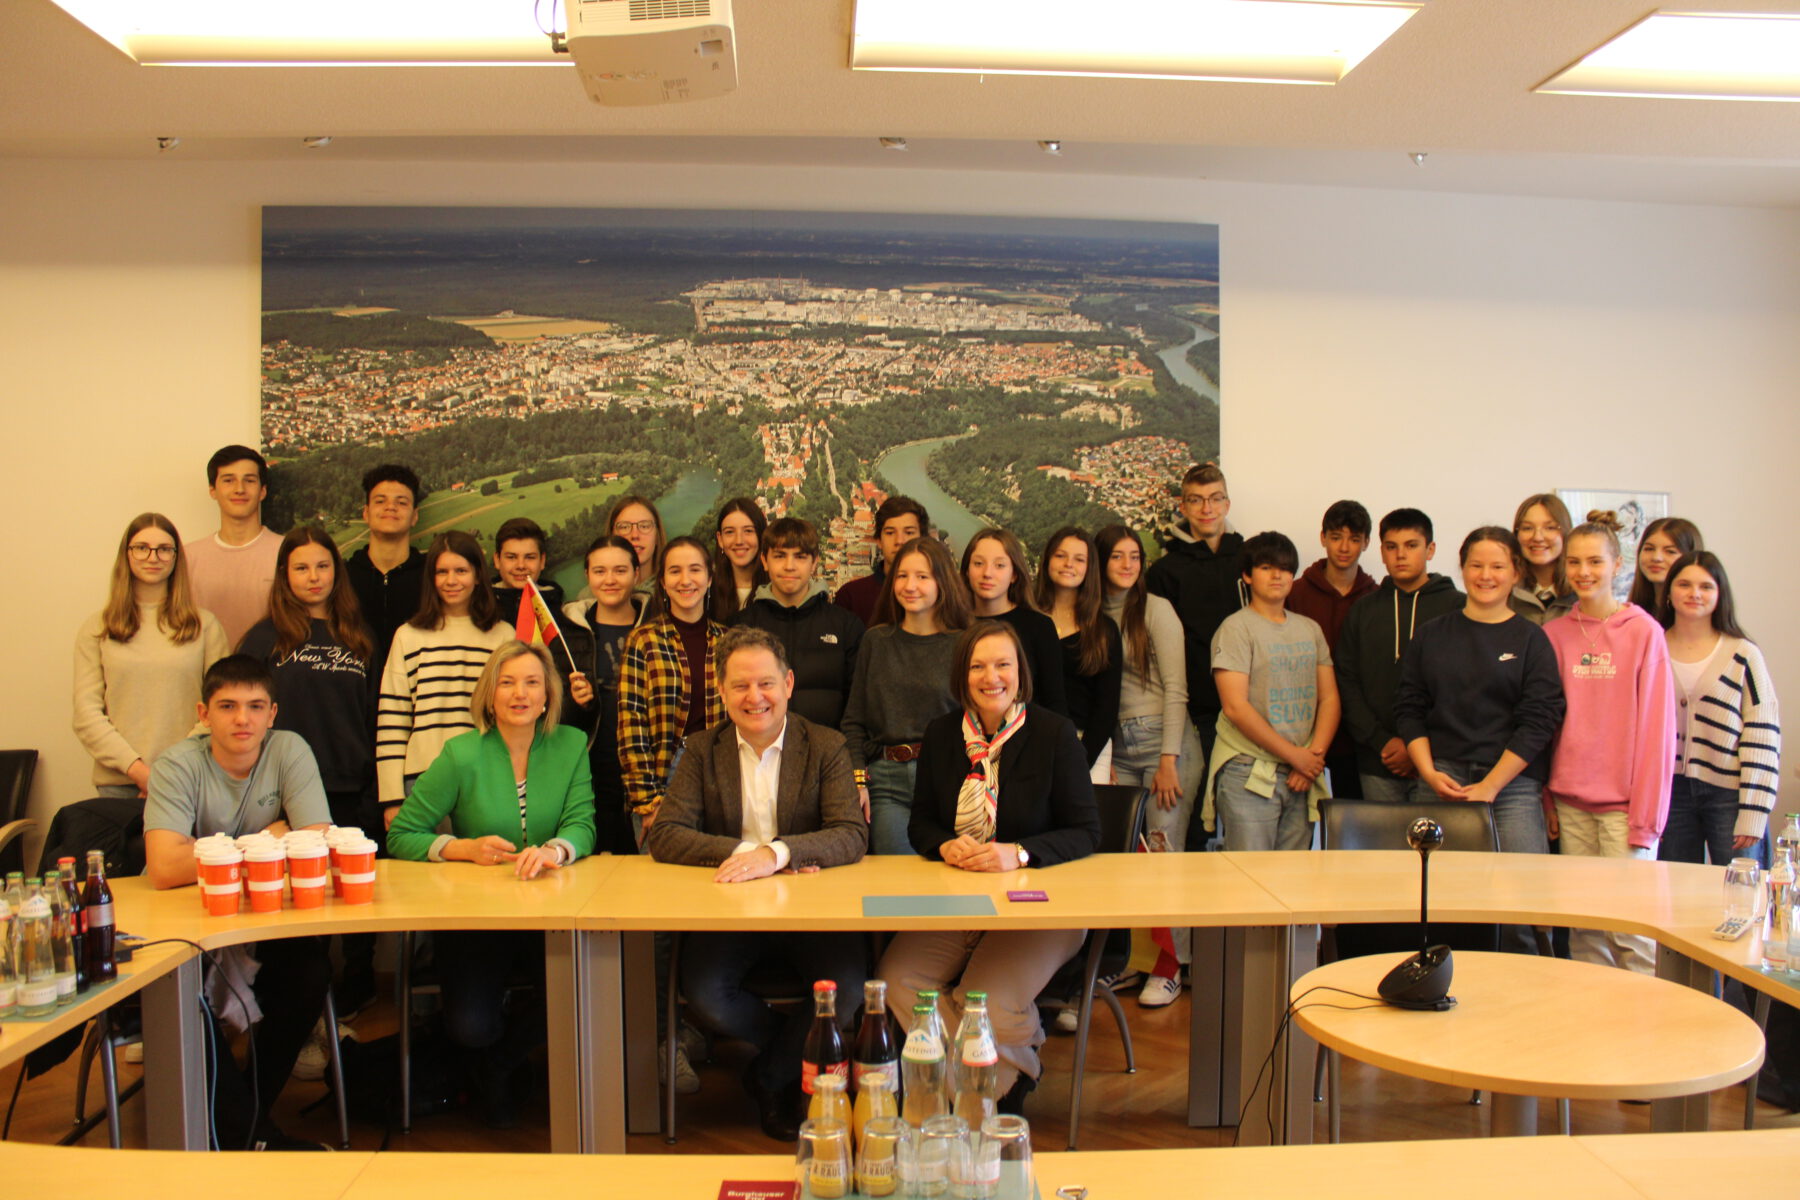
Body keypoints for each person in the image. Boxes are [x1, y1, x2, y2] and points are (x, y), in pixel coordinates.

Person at [646, 627, 870, 1141]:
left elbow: (850, 834)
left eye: (766, 683)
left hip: (814, 911)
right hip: (731, 910)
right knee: (705, 994)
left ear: (789, 684)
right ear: (721, 692)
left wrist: (780, 852)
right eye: (740, 686)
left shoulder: (827, 745)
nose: (755, 698)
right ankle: (796, 1060)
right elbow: (668, 835)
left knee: (850, 988)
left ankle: (770, 1077)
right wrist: (750, 854)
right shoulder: (702, 750)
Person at [878, 620, 1101, 1113]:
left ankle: (973, 1099)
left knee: (983, 999)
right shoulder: (940, 734)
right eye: (978, 666)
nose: (990, 676)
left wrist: (1016, 852)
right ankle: (1008, 1069)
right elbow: (921, 825)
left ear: (1021, 672)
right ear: (962, 676)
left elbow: (1087, 832)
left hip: (1041, 907)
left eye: (1003, 664)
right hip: (962, 897)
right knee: (898, 979)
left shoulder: (1054, 733)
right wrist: (945, 847)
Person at [386, 641, 596, 1128]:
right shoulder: (461, 753)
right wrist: (461, 847)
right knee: (471, 1026)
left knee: (582, 995)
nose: (519, 694)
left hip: (552, 915)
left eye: (531, 683)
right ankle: (488, 1056)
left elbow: (583, 824)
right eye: (507, 682)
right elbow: (401, 835)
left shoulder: (569, 745)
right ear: (489, 694)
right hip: (476, 918)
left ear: (548, 695)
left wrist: (556, 850)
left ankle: (500, 1066)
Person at [143, 655, 332, 1150]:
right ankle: (250, 1133)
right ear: (204, 714)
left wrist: (209, 851)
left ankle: (243, 1119)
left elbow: (315, 841)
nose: (242, 719)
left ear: (273, 713)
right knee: (186, 999)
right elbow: (164, 868)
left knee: (311, 971)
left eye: (254, 706)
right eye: (227, 706)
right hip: (181, 921)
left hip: (259, 916)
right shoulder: (176, 764)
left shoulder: (289, 748)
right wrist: (261, 840)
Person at [1395, 527, 1566, 950]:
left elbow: (1541, 719)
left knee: (1518, 907)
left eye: (1497, 566)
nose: (1485, 575)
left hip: (1512, 788)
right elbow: (1409, 707)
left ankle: (1519, 1003)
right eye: (1476, 565)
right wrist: (1428, 772)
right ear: (1462, 568)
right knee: (1439, 901)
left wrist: (1491, 785)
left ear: (1515, 573)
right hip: (1441, 781)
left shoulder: (1531, 639)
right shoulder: (1433, 634)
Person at [1542, 512, 1676, 974]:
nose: (1584, 572)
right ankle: (1594, 1029)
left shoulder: (1644, 633)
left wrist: (1647, 818)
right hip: (1571, 802)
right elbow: (1548, 724)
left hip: (1626, 808)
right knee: (1585, 929)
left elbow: (1659, 731)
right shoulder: (1554, 634)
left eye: (1595, 562)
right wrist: (1547, 798)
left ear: (1618, 565)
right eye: (1575, 562)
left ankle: (1646, 1033)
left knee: (1632, 929)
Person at [1096, 523, 1204, 1009]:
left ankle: (1169, 968)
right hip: (1118, 748)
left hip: (1167, 743)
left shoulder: (1156, 610)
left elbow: (1178, 688)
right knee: (1123, 865)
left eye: (1134, 557)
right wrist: (1110, 760)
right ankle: (1133, 961)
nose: (1127, 565)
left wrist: (1168, 760)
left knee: (1164, 857)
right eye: (1116, 556)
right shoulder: (1091, 614)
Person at [1199, 532, 1339, 852]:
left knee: (1292, 883)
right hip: (1249, 770)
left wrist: (1311, 759)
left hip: (1302, 771)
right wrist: (1296, 758)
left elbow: (1329, 698)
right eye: (1265, 567)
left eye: (1285, 568)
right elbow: (1236, 707)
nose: (1277, 575)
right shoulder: (1236, 629)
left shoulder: (1309, 629)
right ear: (1247, 576)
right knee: (1250, 882)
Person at [73, 513, 229, 799]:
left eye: (164, 549)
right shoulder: (98, 628)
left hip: (188, 778)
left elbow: (219, 707)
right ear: (127, 554)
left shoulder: (205, 626)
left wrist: (169, 771)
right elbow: (86, 715)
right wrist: (140, 772)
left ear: (175, 557)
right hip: (119, 783)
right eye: (142, 547)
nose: (153, 557)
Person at [239, 527, 377, 832]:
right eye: (301, 568)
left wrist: (372, 797)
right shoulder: (263, 639)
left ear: (336, 572)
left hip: (349, 791)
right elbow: (243, 718)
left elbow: (375, 718)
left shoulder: (361, 637)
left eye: (322, 567)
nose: (314, 577)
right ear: (284, 574)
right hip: (279, 793)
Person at [841, 536, 971, 854]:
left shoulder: (966, 644)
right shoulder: (876, 641)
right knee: (896, 885)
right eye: (902, 576)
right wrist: (858, 780)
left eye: (922, 576)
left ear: (943, 581)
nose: (910, 585)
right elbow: (854, 720)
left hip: (951, 780)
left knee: (955, 884)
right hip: (887, 783)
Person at [375, 530, 513, 825]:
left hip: (487, 777)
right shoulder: (408, 636)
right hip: (423, 780)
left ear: (478, 575)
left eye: (461, 570)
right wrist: (391, 798)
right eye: (442, 572)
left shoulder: (503, 636)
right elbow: (392, 719)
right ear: (431, 579)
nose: (451, 581)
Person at [1658, 551, 1782, 866]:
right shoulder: (1652, 646)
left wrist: (1754, 810)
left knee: (1741, 891)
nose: (1694, 594)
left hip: (1730, 794)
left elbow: (1763, 734)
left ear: (1719, 594)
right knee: (1675, 894)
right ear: (1669, 592)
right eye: (1684, 584)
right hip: (1669, 793)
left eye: (1705, 586)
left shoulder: (1743, 654)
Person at [1333, 508, 1464, 803]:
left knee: (1435, 846)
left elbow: (1463, 688)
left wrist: (1417, 746)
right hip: (1378, 759)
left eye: (1411, 545)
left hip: (1439, 761)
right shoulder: (1363, 610)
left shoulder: (1458, 609)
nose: (1400, 555)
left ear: (1430, 550)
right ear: (1381, 552)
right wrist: (1382, 741)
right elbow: (1347, 682)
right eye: (1391, 547)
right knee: (1385, 848)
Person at [1146, 463, 1245, 848]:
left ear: (1226, 503)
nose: (1207, 508)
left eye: (1215, 499)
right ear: (1183, 506)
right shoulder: (1165, 572)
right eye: (1197, 500)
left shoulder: (1249, 560)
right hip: (1196, 711)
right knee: (1195, 822)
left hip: (1248, 710)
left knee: (1243, 818)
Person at [617, 536, 725, 840]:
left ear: (709, 577)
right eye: (675, 571)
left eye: (695, 570)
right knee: (661, 882)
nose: (686, 580)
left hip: (721, 780)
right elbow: (631, 723)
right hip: (663, 779)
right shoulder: (643, 641)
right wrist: (646, 801)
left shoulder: (729, 641)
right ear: (663, 582)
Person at [731, 517, 865, 730]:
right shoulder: (743, 626)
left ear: (814, 563)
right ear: (765, 561)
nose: (789, 566)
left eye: (800, 557)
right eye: (780, 556)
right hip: (759, 752)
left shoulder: (846, 626)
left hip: (828, 755)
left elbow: (857, 707)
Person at [559, 534, 646, 855]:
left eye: (620, 571)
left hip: (647, 773)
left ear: (637, 574)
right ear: (587, 576)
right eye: (600, 571)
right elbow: (554, 716)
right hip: (591, 773)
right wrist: (578, 702)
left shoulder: (656, 626)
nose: (610, 580)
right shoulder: (568, 634)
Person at [1285, 500, 1377, 798]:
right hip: (1302, 726)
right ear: (1323, 538)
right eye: (1336, 537)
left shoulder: (1376, 598)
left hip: (1358, 732)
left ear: (1366, 542)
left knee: (1354, 822)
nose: (1344, 547)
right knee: (1300, 824)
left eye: (1354, 539)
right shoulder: (1295, 593)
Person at [1034, 527, 1123, 775]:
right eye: (1060, 555)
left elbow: (1106, 708)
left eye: (1079, 559)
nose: (1068, 564)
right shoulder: (1026, 619)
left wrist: (1079, 761)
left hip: (1087, 745)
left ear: (1089, 568)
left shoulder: (1104, 630)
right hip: (1032, 741)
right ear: (1047, 560)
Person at [962, 527, 1068, 717]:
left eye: (1000, 565)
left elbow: (1055, 702)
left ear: (1014, 574)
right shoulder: (954, 625)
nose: (987, 573)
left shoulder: (1039, 626)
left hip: (1028, 738)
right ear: (967, 571)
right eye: (978, 563)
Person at [184, 444, 283, 647]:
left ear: (262, 491)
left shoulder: (288, 553)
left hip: (270, 675)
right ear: (213, 490)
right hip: (205, 676)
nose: (240, 489)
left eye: (249, 480)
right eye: (228, 480)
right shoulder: (187, 558)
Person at [344, 463, 427, 681]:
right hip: (355, 696)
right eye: (380, 501)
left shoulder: (432, 576)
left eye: (401, 502)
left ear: (414, 516)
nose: (390, 507)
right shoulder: (342, 577)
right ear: (366, 513)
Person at [835, 495, 929, 627]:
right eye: (890, 533)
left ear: (923, 539)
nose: (899, 541)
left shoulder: (935, 595)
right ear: (878, 540)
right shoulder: (851, 596)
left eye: (909, 532)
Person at [1509, 493, 1576, 624]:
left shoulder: (1581, 592)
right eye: (1527, 528)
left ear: (1565, 533)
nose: (1538, 537)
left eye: (1550, 528)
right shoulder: (1504, 593)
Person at [490, 516, 564, 627]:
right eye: (511, 557)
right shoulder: (479, 610)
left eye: (529, 557)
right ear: (497, 560)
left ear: (542, 561)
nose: (521, 566)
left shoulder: (561, 611)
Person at [1627, 517, 1704, 616]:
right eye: (1649, 549)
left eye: (1670, 551)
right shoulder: (1632, 612)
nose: (1656, 558)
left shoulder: (1695, 613)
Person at [709, 497, 768, 622]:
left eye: (748, 531)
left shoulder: (778, 589)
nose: (739, 541)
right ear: (720, 539)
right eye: (730, 532)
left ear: (761, 535)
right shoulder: (707, 593)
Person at [605, 493, 666, 594]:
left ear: (657, 535)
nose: (635, 535)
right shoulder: (589, 598)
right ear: (611, 536)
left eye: (644, 526)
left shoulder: (675, 593)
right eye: (624, 527)